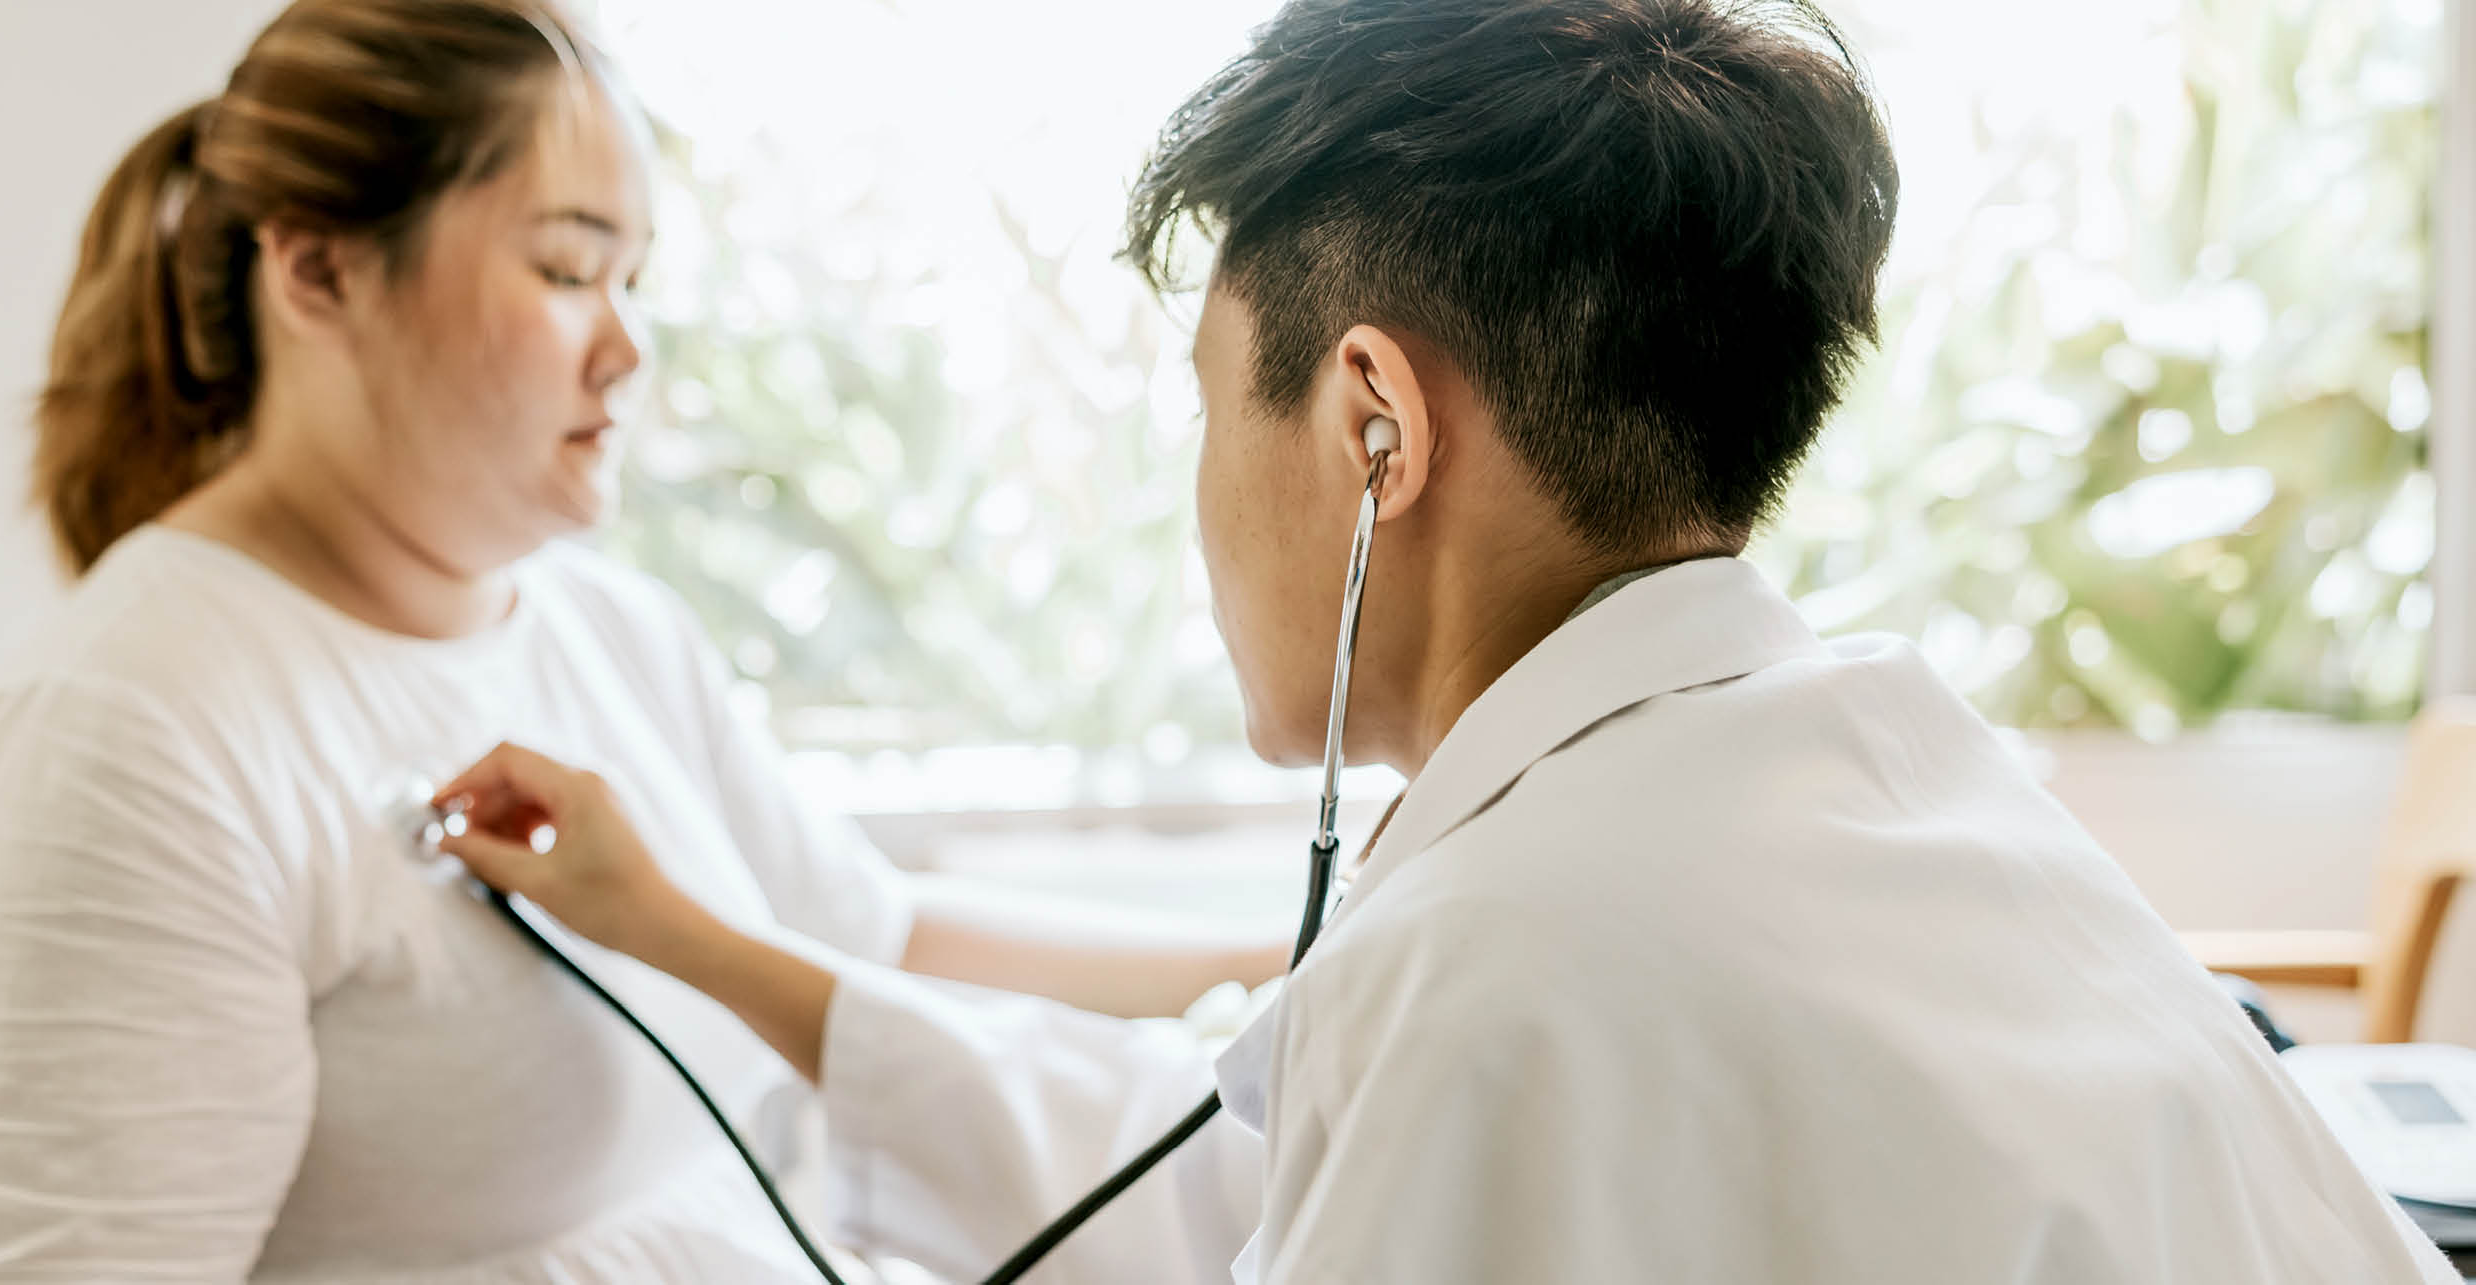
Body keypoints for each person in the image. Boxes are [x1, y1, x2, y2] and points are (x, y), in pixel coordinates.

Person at [428, 0, 2460, 1281]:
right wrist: (692, 933)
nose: (1200, 493)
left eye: (1213, 403)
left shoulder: (1526, 957)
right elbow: (1218, 1179)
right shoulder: (1885, 787)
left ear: (1374, 420)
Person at [0, 2, 1283, 1279]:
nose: (628, 348)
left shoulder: (602, 626)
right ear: (316, 269)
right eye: (566, 268)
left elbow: (879, 936)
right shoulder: (127, 742)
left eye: (636, 280)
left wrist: (1313, 966)